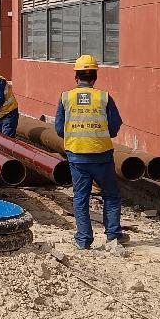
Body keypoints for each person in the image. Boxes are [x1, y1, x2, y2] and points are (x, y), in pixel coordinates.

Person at [55, 55, 126, 250]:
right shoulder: (104, 97)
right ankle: (113, 236)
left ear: (76, 77)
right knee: (111, 195)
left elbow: (59, 129)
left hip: (77, 156)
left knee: (81, 197)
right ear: (95, 77)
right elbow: (114, 126)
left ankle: (84, 239)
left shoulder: (65, 97)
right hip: (102, 155)